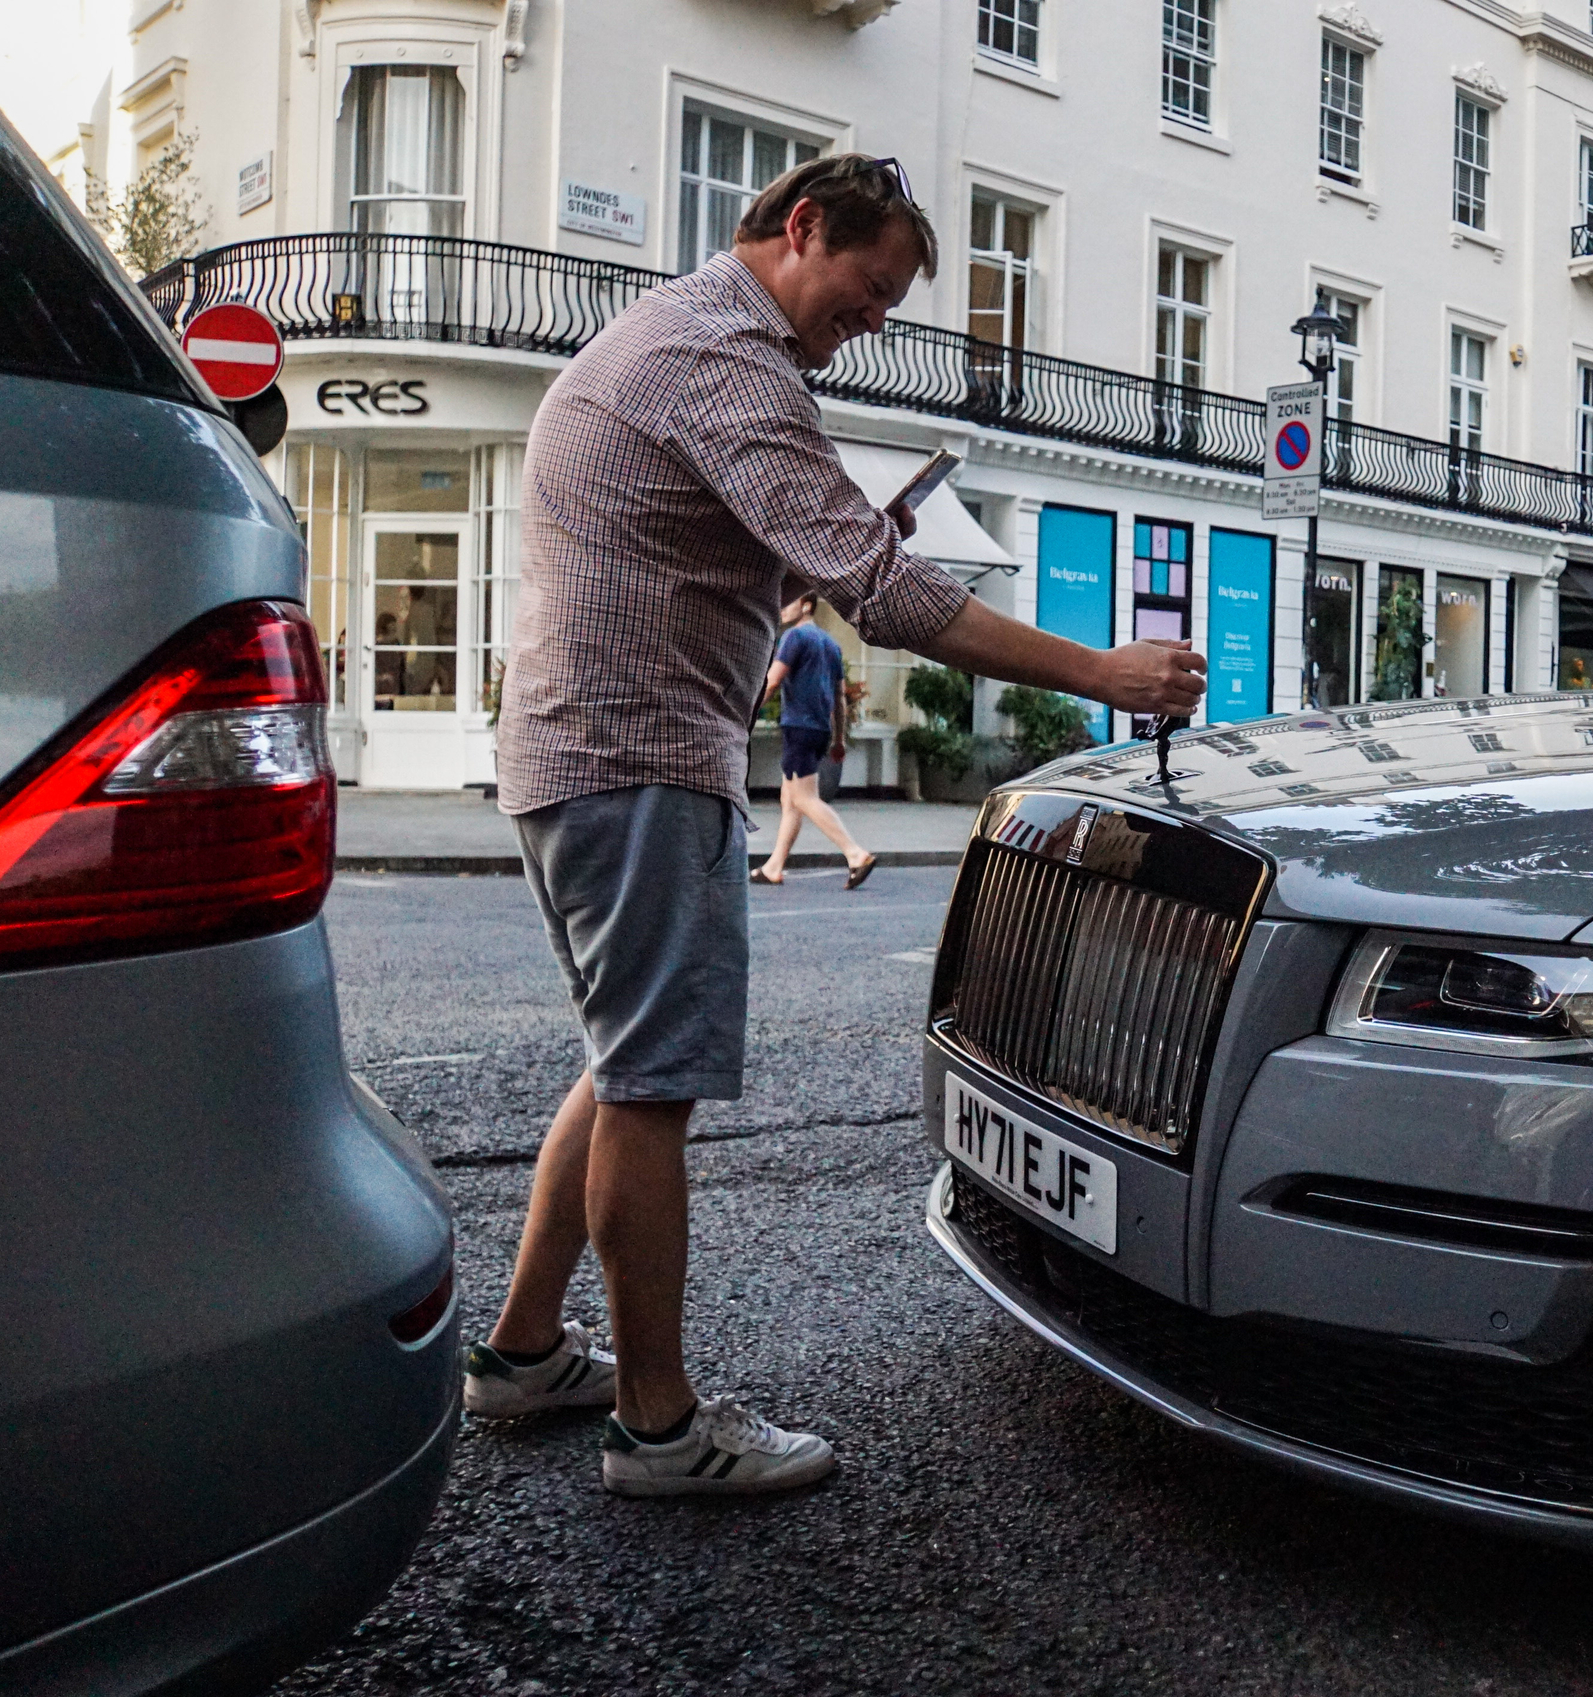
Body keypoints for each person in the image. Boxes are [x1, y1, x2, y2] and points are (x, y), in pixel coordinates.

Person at [465, 154, 1204, 1499]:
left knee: (623, 1056)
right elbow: (884, 592)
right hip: (636, 757)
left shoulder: (672, 338)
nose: (871, 323)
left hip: (585, 748)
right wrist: (1106, 674)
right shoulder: (724, 358)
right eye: (868, 291)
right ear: (799, 228)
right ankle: (658, 1426)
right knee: (649, 1083)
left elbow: (790, 546)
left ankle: (522, 1354)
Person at [752, 590, 873, 889]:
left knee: (804, 798)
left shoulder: (794, 638)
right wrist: (839, 739)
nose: (781, 608)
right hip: (819, 730)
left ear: (806, 605)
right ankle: (773, 867)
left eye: (788, 601)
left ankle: (855, 854)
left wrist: (747, 715)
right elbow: (839, 698)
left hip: (799, 726)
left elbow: (774, 679)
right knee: (790, 799)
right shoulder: (831, 644)